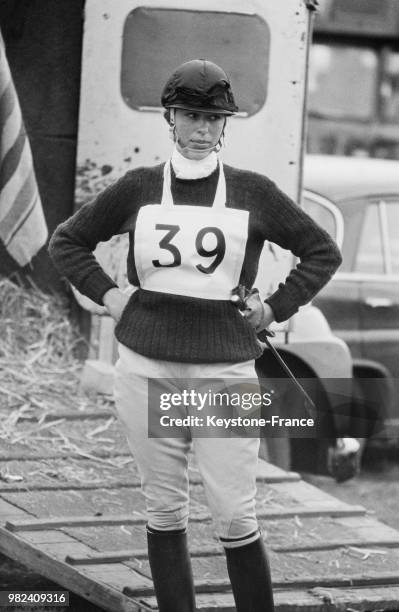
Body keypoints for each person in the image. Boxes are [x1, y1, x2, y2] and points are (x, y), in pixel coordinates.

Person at [49, 59, 342, 611]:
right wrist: (111, 296)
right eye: (190, 116)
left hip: (223, 373)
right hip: (145, 367)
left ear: (225, 124)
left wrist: (276, 305)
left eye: (213, 118)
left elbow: (323, 250)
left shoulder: (254, 191)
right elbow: (68, 242)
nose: (202, 129)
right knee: (163, 510)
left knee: (233, 512)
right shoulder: (137, 186)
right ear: (170, 117)